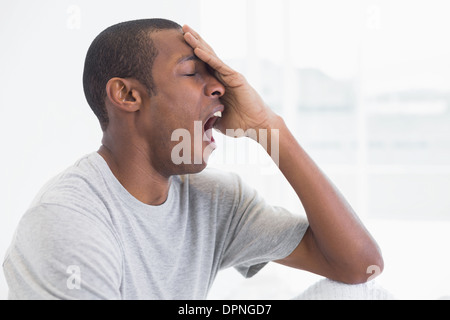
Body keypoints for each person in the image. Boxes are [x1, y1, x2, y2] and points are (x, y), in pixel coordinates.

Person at [3, 18, 383, 300]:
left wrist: (269, 128)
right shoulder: (67, 220)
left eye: (214, 75)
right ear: (128, 96)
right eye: (191, 72)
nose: (220, 88)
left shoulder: (214, 198)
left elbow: (358, 266)